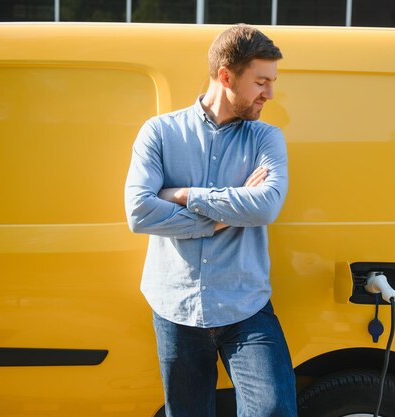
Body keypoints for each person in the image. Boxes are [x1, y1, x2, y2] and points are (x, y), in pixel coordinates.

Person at [124, 24, 296, 417]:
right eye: (261, 82)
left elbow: (266, 206)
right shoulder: (160, 133)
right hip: (176, 308)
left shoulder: (266, 139)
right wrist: (218, 220)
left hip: (246, 307)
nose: (269, 93)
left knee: (273, 411)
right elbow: (138, 211)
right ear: (226, 76)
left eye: (271, 82)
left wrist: (184, 195)